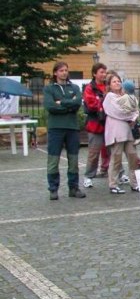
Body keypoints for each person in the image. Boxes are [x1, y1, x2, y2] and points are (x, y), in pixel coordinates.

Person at [43, 62, 86, 200]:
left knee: (73, 159)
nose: (64, 73)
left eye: (66, 70)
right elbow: (50, 106)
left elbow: (77, 103)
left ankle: (73, 188)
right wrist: (69, 105)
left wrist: (61, 102)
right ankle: (53, 189)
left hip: (72, 128)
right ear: (55, 73)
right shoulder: (49, 89)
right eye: (61, 70)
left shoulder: (74, 87)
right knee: (53, 160)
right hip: (55, 128)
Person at [103, 72, 140, 195]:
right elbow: (119, 112)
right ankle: (113, 184)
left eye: (118, 81)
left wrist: (133, 116)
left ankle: (134, 183)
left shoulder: (126, 96)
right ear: (109, 85)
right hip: (116, 131)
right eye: (114, 81)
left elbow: (135, 109)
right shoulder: (110, 97)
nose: (117, 83)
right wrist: (131, 116)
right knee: (116, 158)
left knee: (133, 157)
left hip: (128, 131)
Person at [82, 62, 110, 188]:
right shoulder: (90, 88)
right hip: (95, 124)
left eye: (105, 72)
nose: (104, 74)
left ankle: (118, 173)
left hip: (109, 124)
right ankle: (88, 176)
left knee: (114, 151)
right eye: (101, 72)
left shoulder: (108, 86)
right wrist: (104, 102)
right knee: (94, 153)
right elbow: (91, 104)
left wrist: (102, 101)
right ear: (94, 74)